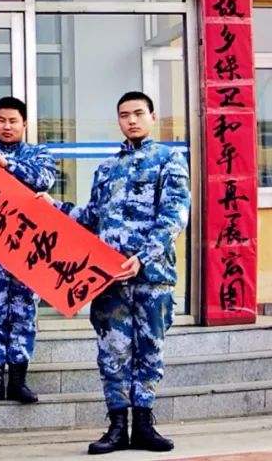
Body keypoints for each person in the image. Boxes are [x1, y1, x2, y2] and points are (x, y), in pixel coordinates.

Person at [47, 91, 190, 455]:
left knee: (150, 350)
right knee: (112, 352)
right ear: (119, 121)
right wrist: (52, 207)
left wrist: (143, 257)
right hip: (109, 279)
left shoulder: (168, 160)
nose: (132, 120)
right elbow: (90, 217)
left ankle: (143, 424)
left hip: (152, 277)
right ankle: (116, 427)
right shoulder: (107, 169)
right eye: (125, 115)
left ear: (152, 117)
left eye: (138, 113)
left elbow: (174, 216)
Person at [0, 96, 57, 405]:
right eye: (1, 120)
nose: (6, 126)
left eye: (12, 121)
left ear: (24, 124)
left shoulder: (37, 154)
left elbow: (45, 179)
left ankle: (18, 381)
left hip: (27, 246)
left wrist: (8, 164)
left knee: (24, 312)